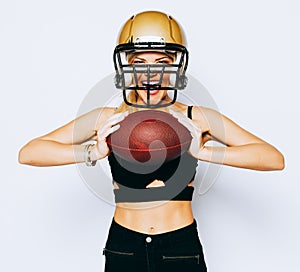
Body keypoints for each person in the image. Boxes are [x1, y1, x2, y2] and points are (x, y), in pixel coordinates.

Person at [18, 10, 284, 272]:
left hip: (179, 248)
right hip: (125, 246)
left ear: (176, 66)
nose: (151, 72)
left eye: (162, 61)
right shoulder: (108, 118)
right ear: (126, 67)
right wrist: (91, 151)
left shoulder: (195, 118)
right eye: (139, 62)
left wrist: (205, 151)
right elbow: (29, 152)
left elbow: (273, 158)